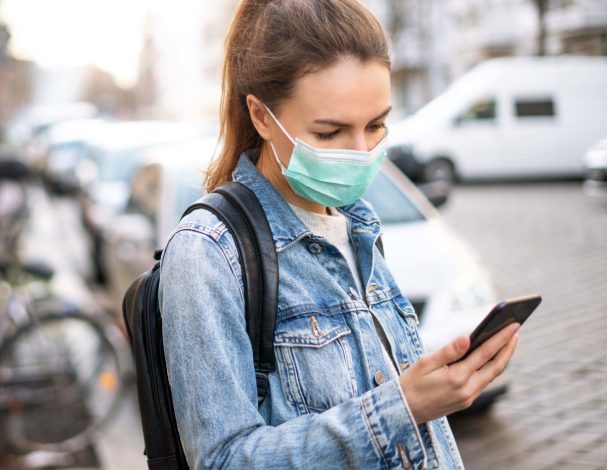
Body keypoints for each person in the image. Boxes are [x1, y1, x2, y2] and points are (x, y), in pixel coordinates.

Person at [158, 1, 519, 468]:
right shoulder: (208, 252)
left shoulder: (358, 223)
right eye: (330, 133)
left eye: (376, 125)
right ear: (262, 116)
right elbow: (224, 459)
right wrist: (403, 409)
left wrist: (437, 385)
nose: (361, 153)